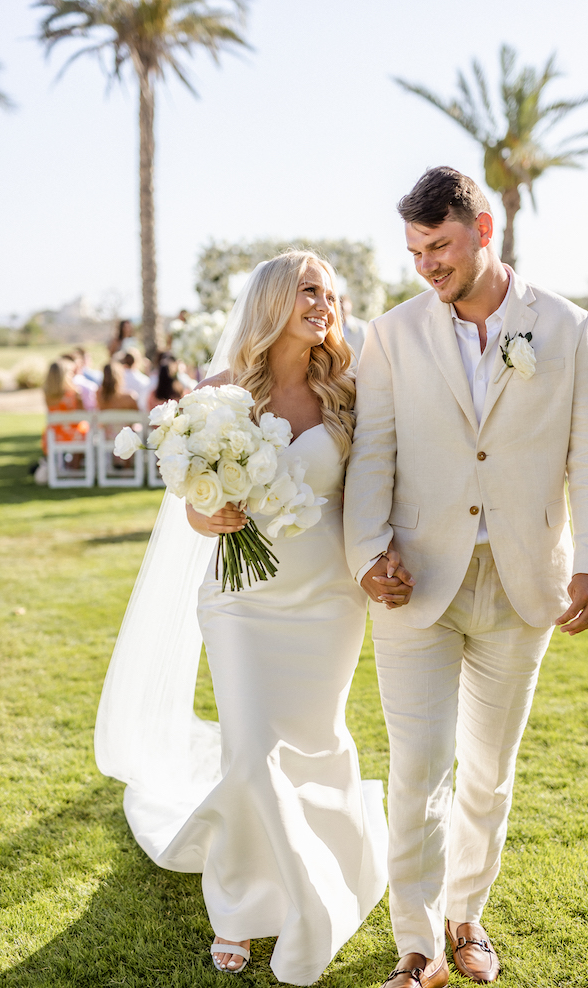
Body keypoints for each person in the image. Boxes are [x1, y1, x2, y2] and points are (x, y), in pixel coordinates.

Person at [343, 167, 588, 987]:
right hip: (416, 580)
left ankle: (467, 915)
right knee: (418, 767)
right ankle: (416, 946)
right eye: (415, 250)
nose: (427, 264)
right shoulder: (392, 334)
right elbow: (374, 453)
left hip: (522, 580)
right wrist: (367, 555)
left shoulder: (565, 327)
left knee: (489, 770)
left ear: (484, 228)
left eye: (441, 245)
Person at [94, 251, 388, 986]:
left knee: (314, 742)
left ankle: (325, 867)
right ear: (273, 301)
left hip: (327, 601)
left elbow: (377, 491)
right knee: (252, 750)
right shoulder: (220, 394)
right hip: (242, 604)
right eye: (308, 290)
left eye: (330, 293)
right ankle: (236, 908)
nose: (324, 303)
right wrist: (208, 511)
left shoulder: (348, 394)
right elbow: (192, 513)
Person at [41, 359, 89, 457]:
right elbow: (83, 415)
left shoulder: (48, 396)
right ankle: (74, 467)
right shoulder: (75, 395)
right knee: (85, 430)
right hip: (75, 436)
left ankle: (58, 466)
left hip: (53, 436)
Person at [340, 294, 367, 359]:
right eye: (340, 305)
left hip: (356, 367)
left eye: (344, 304)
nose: (342, 307)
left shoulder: (361, 327)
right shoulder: (331, 327)